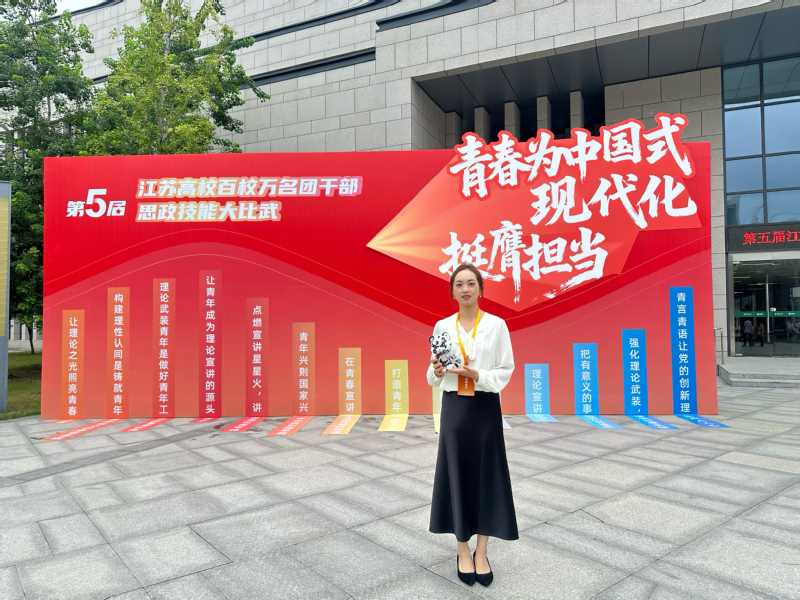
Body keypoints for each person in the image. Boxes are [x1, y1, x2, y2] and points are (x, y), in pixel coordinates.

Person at [427, 263, 518, 588]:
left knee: (486, 476)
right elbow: (432, 375)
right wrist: (437, 371)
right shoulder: (443, 326)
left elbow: (506, 370)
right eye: (459, 284)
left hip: (484, 408)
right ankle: (462, 549)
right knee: (457, 475)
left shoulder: (496, 325)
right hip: (454, 408)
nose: (465, 289)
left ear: (480, 289)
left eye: (471, 283)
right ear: (452, 292)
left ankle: (482, 551)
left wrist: (477, 375)